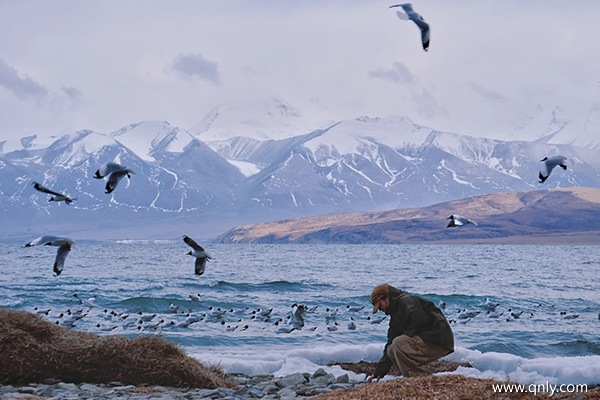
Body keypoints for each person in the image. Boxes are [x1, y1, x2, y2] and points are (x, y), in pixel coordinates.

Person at [366, 283, 454, 382]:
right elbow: (390, 341)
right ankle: (413, 379)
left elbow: (421, 323)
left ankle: (422, 379)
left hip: (438, 341)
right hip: (426, 340)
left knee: (398, 343)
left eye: (379, 305)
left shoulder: (406, 301)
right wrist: (379, 372)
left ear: (386, 298)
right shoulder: (395, 312)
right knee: (391, 349)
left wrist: (404, 336)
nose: (380, 310)